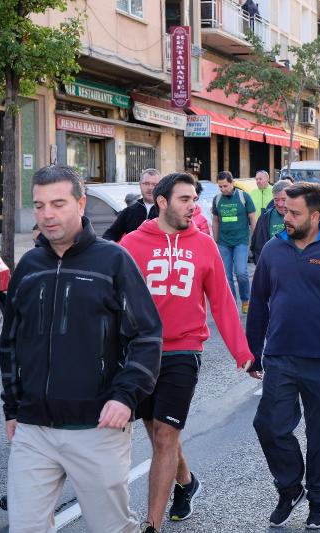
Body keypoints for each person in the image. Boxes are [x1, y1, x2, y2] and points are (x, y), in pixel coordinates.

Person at [0, 165, 162, 533]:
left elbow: (147, 336)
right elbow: (10, 342)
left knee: (110, 528)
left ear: (81, 203)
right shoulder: (29, 266)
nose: (47, 214)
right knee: (24, 527)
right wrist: (12, 407)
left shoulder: (113, 260)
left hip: (97, 426)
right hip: (33, 429)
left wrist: (125, 397)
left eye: (58, 203)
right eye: (40, 205)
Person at [121, 173, 255, 533]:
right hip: (140, 352)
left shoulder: (204, 245)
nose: (192, 205)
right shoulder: (132, 243)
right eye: (184, 199)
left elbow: (223, 303)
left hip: (184, 349)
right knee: (156, 430)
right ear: (162, 202)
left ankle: (152, 525)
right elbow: (111, 300)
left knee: (165, 434)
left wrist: (243, 352)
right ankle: (186, 481)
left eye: (194, 198)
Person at [247, 183, 320, 530]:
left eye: (294, 213)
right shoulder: (272, 249)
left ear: (316, 215)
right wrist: (254, 351)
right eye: (285, 211)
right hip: (280, 355)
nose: (286, 217)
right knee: (268, 426)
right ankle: (290, 486)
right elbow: (259, 302)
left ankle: (318, 500)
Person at [212, 171, 257, 313]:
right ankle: (231, 303)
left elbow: (252, 218)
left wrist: (255, 239)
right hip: (223, 242)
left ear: (232, 183)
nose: (223, 189)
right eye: (220, 187)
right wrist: (215, 240)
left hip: (241, 241)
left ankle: (245, 299)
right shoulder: (217, 199)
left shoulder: (244, 197)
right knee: (226, 276)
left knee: (241, 272)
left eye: (225, 186)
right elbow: (215, 220)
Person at [102, 168, 161, 241]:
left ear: (160, 186)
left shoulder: (166, 211)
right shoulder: (129, 211)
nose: (150, 188)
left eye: (154, 184)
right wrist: (108, 243)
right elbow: (112, 233)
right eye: (146, 183)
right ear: (140, 184)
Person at [251, 179, 292, 264]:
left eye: (284, 199)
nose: (280, 204)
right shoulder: (264, 218)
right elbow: (257, 245)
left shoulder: (301, 216)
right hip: (271, 266)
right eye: (276, 200)